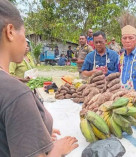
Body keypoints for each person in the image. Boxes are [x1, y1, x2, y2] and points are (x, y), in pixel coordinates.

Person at [0, 1, 78, 156]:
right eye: (24, 32)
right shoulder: (16, 94)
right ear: (10, 31)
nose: (26, 43)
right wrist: (57, 150)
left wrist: (35, 137)